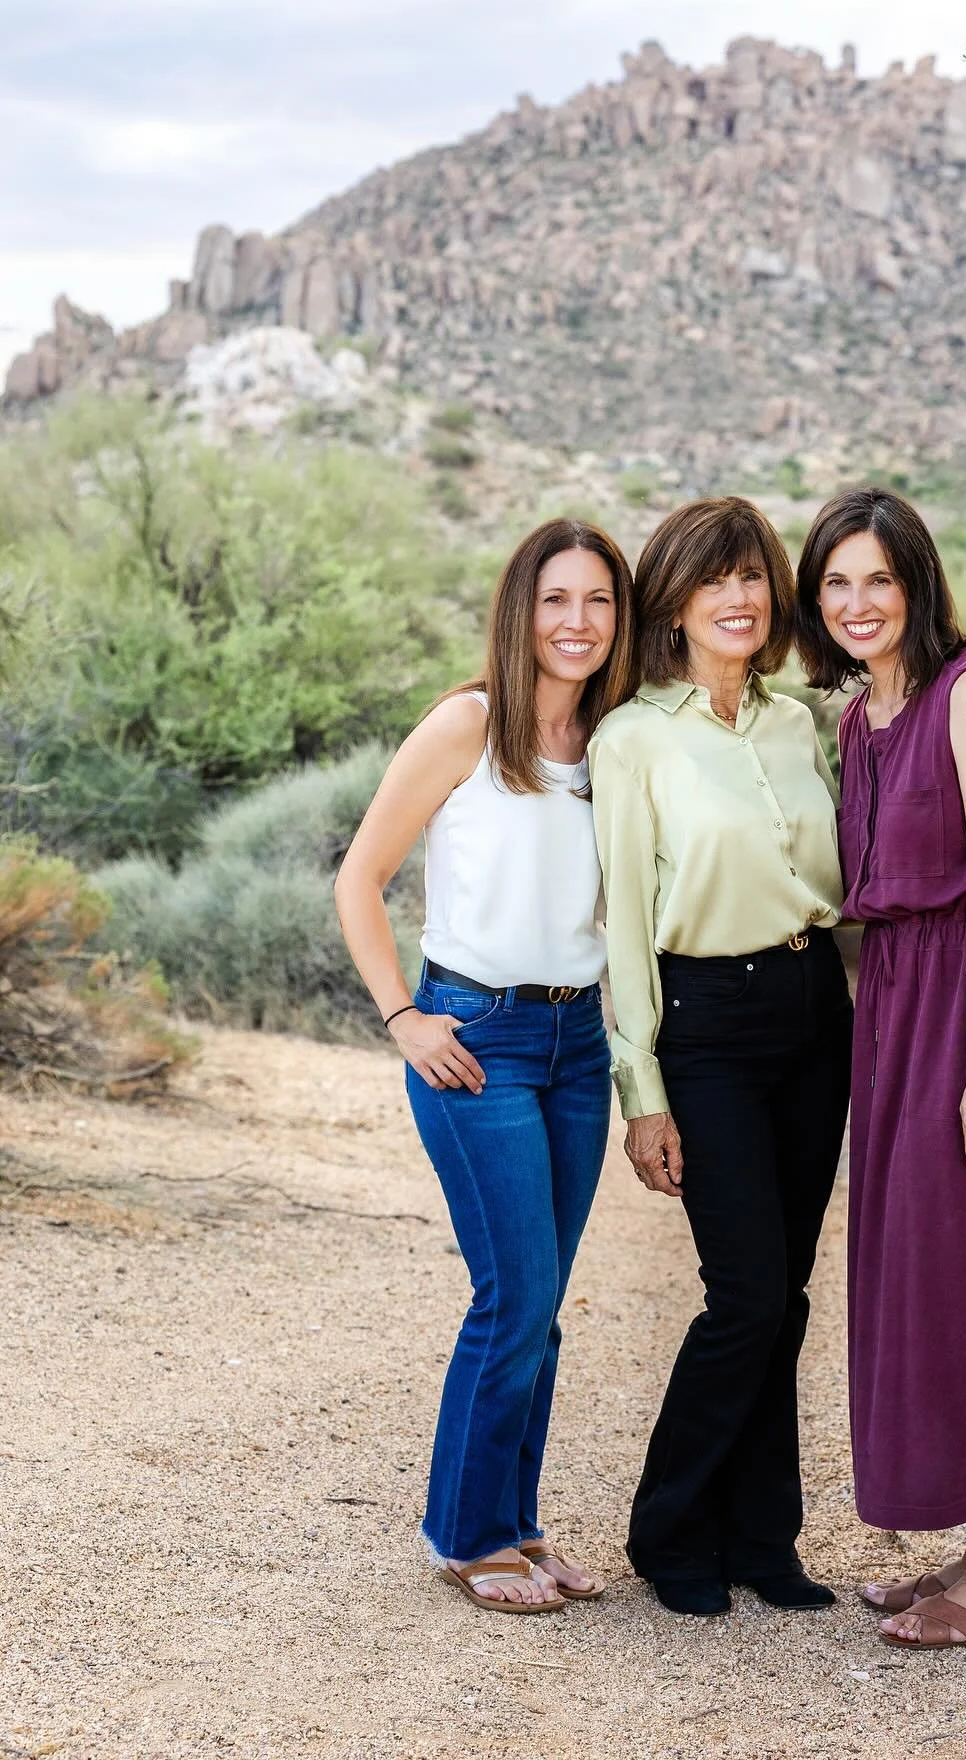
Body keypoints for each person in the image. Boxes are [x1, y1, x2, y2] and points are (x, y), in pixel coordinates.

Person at [334, 519, 638, 1616]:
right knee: (512, 1294)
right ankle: (466, 1535)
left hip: (575, 1047)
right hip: (474, 1038)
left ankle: (516, 1523)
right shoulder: (468, 725)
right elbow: (359, 878)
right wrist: (403, 1015)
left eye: (598, 601)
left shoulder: (615, 744)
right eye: (556, 599)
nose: (577, 622)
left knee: (543, 1302)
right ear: (522, 610)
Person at [794, 487, 966, 1651]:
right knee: (918, 1270)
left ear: (918, 586)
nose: (857, 604)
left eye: (878, 581)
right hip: (892, 1008)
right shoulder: (858, 721)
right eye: (835, 584)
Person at [589, 497, 852, 1618]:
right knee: (743, 1291)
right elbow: (622, 928)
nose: (738, 599)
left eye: (753, 578)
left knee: (784, 1295)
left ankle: (761, 1535)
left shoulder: (802, 723)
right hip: (707, 1019)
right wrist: (641, 1093)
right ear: (675, 603)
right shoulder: (634, 736)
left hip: (813, 1006)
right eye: (713, 582)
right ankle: (668, 1529)